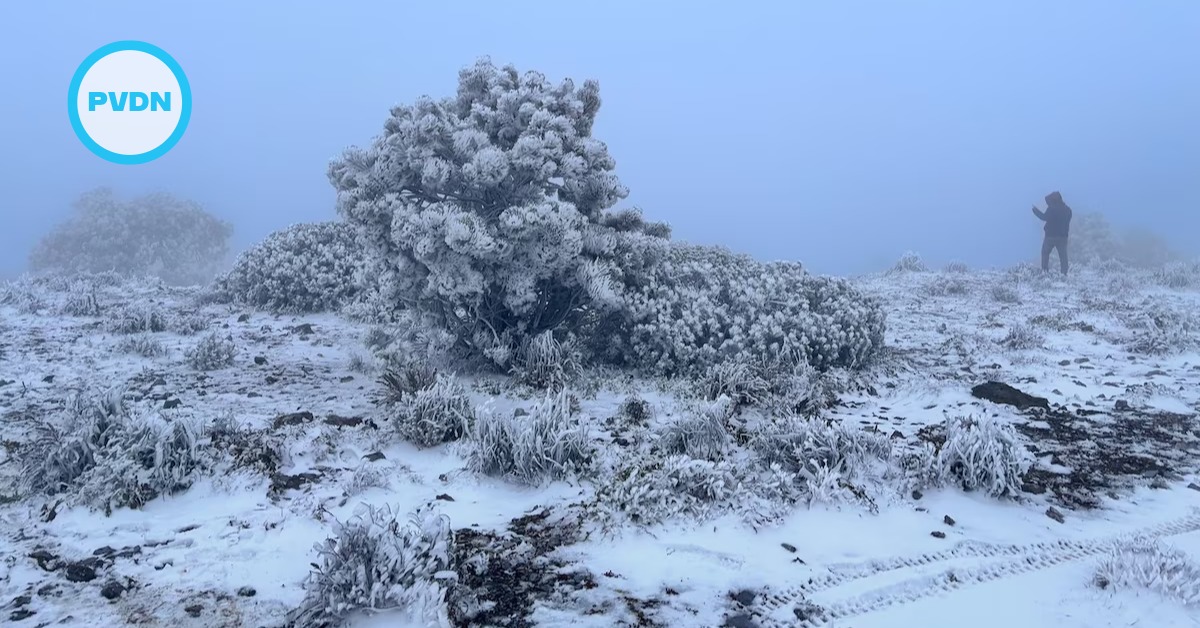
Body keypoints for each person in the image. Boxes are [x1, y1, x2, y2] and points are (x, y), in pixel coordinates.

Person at [1031, 191, 1073, 274]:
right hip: (1063, 237)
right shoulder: (1068, 210)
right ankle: (1064, 274)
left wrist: (1035, 210)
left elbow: (1044, 217)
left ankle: (1045, 272)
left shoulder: (1051, 209)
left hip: (1050, 236)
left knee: (1045, 253)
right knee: (1063, 257)